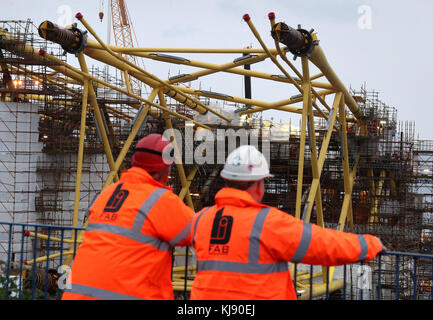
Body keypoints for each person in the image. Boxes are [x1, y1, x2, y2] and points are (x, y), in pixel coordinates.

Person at [190, 145, 385, 300]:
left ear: (225, 181)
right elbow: (322, 244)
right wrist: (369, 244)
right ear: (259, 184)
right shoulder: (267, 223)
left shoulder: (201, 219)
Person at [62, 133, 194, 300]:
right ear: (166, 171)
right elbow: (201, 232)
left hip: (76, 294)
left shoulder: (108, 192)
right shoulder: (161, 200)